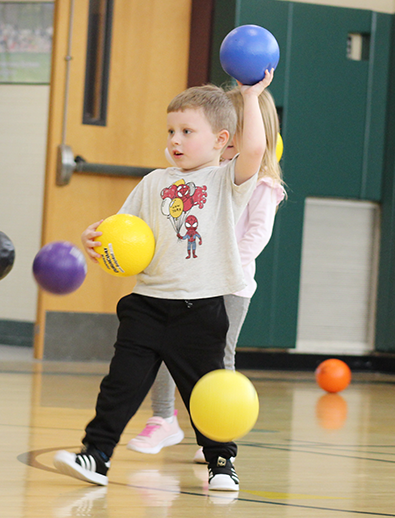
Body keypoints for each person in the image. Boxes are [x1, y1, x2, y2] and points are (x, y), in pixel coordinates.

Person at [53, 69, 274, 491]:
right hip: (148, 306)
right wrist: (93, 239)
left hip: (201, 310)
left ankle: (221, 462)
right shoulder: (153, 182)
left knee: (205, 394)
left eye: (187, 131)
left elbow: (256, 149)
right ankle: (96, 456)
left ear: (220, 140)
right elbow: (122, 229)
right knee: (120, 384)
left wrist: (251, 96)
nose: (174, 139)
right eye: (171, 130)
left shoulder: (226, 181)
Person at [126, 87, 286, 465]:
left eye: (239, 131)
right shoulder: (203, 179)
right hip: (188, 282)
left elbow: (255, 237)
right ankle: (164, 418)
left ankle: (218, 432)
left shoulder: (262, 185)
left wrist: (219, 268)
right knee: (164, 347)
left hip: (229, 286)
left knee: (217, 360)